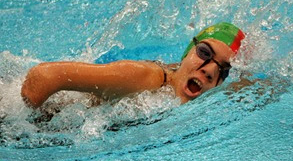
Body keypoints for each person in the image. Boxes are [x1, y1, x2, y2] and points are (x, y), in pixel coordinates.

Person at [21, 22, 246, 108]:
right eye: (204, 53)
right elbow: (44, 76)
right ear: (186, 54)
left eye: (223, 70)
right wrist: (27, 126)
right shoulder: (145, 77)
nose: (209, 70)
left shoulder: (184, 90)